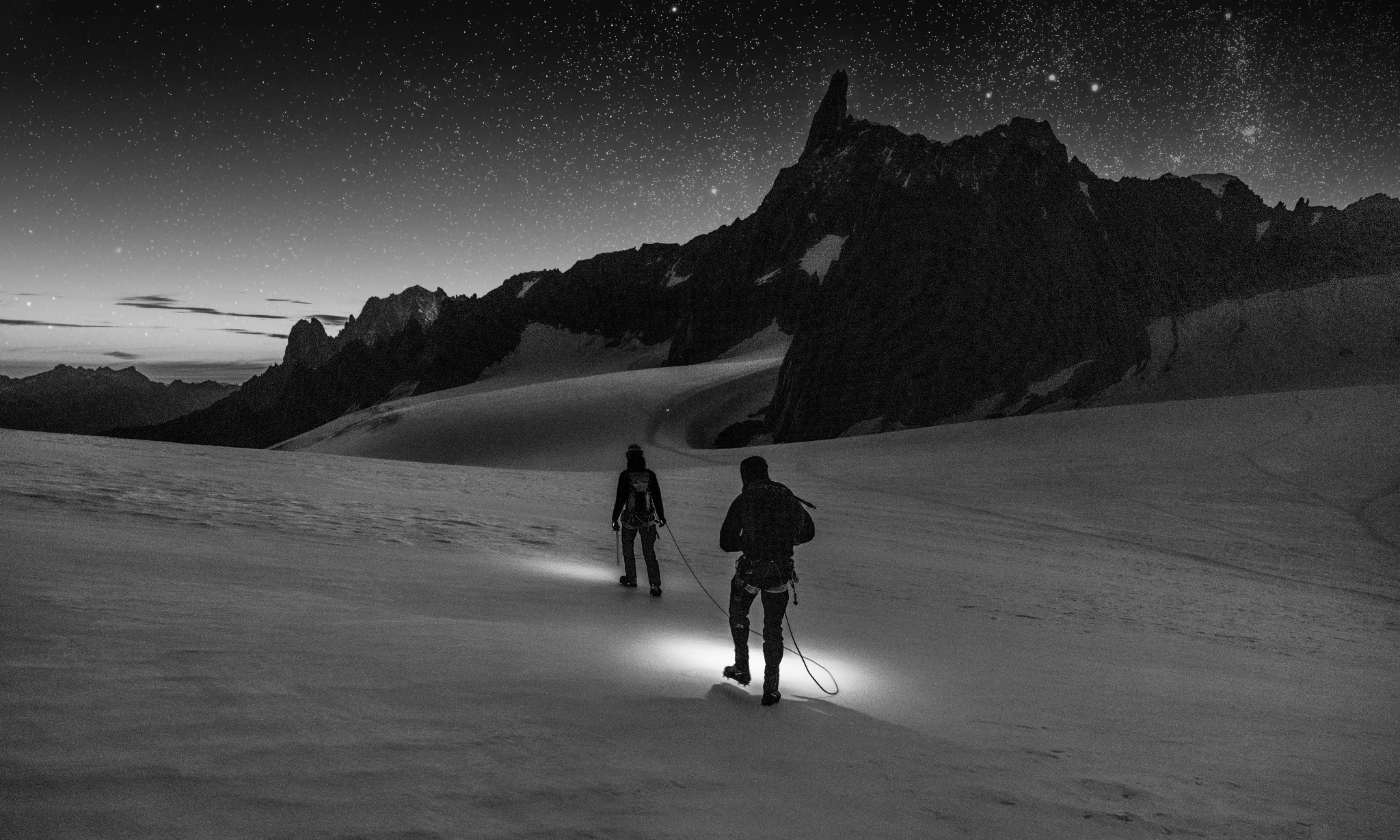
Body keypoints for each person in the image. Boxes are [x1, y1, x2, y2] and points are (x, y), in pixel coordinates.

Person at [719, 455, 815, 706]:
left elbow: (726, 542)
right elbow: (809, 531)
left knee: (738, 614)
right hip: (780, 570)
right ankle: (771, 687)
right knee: (774, 627)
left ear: (745, 475)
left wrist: (750, 543)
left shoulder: (745, 498)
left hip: (752, 568)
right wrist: (784, 542)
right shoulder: (785, 495)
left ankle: (741, 666)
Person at [611, 443, 667, 596]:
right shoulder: (650, 475)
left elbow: (620, 499)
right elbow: (657, 497)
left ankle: (631, 578)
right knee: (649, 552)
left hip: (630, 519)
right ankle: (655, 585)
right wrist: (661, 517)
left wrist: (614, 519)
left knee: (628, 547)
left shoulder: (625, 476)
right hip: (648, 519)